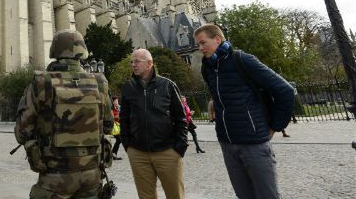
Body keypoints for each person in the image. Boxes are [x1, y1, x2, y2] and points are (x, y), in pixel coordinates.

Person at [194, 24, 295, 199]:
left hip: (253, 143)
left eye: (203, 43)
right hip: (227, 143)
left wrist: (275, 126)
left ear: (217, 39)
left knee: (267, 195)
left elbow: (285, 90)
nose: (200, 48)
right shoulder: (208, 67)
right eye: (198, 45)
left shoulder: (242, 60)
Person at [15, 29, 114, 199]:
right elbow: (109, 125)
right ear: (82, 51)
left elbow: (22, 131)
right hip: (92, 174)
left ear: (55, 51)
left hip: (55, 175)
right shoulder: (99, 82)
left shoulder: (42, 82)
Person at [120, 48, 188, 199]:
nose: (133, 64)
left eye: (137, 61)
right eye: (132, 61)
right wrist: (128, 145)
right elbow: (123, 118)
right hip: (138, 153)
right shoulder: (128, 87)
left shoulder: (167, 85)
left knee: (175, 195)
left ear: (149, 63)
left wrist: (179, 147)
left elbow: (181, 118)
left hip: (167, 151)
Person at [111, 96, 123, 160]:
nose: (117, 102)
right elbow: (112, 117)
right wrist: (117, 116)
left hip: (118, 126)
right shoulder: (111, 109)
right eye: (115, 101)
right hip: (114, 127)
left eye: (117, 101)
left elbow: (122, 113)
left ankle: (113, 154)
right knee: (119, 140)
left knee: (119, 140)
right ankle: (113, 153)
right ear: (112, 102)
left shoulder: (118, 107)